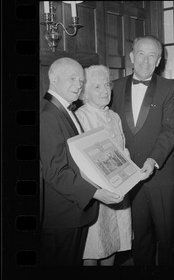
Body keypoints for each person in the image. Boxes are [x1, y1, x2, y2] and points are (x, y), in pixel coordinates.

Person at [40, 57, 124, 266]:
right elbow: (55, 172)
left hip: (72, 210)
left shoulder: (64, 110)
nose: (78, 84)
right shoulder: (48, 115)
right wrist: (95, 193)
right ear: (53, 78)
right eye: (71, 78)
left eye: (80, 80)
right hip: (61, 215)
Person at [111, 35, 174, 266]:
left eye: (152, 55)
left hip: (161, 176)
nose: (145, 60)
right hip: (130, 177)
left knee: (167, 237)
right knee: (140, 237)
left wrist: (153, 159)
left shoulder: (170, 88)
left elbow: (170, 130)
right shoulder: (116, 87)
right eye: (141, 53)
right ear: (132, 56)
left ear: (159, 60)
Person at [75, 65, 133, 266]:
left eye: (107, 85)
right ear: (85, 92)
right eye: (97, 87)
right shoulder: (80, 117)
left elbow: (122, 152)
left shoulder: (114, 116)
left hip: (118, 189)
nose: (105, 90)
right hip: (96, 194)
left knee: (113, 242)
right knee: (93, 246)